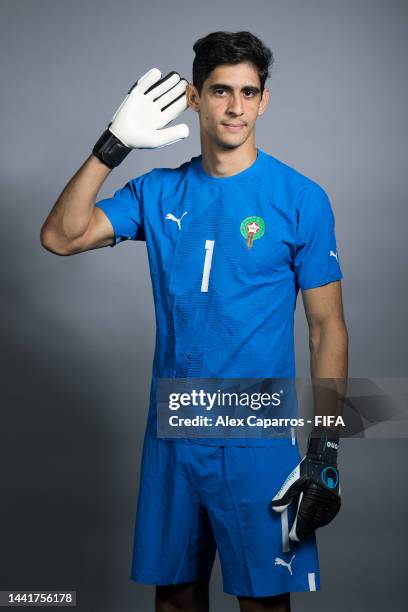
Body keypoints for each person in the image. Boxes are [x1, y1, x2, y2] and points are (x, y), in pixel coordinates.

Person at [40, 30, 348, 612]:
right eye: (220, 91)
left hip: (257, 434)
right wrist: (113, 145)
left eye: (249, 92)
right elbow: (60, 236)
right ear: (194, 97)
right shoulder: (158, 191)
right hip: (173, 430)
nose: (236, 107)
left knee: (264, 602)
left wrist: (326, 448)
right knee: (176, 598)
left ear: (265, 99)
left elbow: (326, 328)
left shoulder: (301, 198)